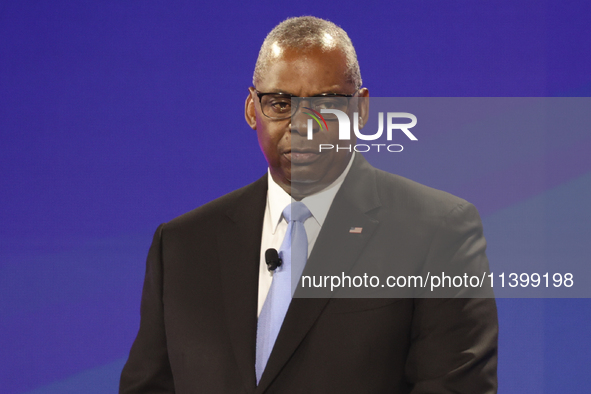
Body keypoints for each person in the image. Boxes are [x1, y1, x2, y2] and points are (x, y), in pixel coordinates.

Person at [119, 16, 498, 393]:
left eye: (326, 103)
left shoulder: (437, 231)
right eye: (280, 103)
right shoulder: (183, 245)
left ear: (361, 110)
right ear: (252, 109)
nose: (302, 123)